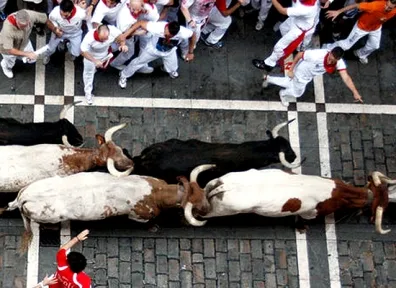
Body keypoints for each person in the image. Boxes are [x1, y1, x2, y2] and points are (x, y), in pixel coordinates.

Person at [262, 46, 363, 106]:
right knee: (297, 93)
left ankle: (268, 79)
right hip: (302, 73)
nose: (330, 61)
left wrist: (355, 92)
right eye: (330, 58)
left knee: (289, 82)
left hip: (307, 75)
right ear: (330, 52)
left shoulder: (338, 63)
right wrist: (292, 69)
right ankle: (283, 93)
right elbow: (300, 54)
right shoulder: (317, 55)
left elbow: (346, 77)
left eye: (333, 61)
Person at [116, 20, 196, 88]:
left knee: (173, 68)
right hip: (153, 50)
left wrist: (190, 52)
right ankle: (124, 75)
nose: (166, 35)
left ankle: (167, 69)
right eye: (165, 33)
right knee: (138, 62)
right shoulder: (157, 26)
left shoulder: (184, 32)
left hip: (169, 51)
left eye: (169, 36)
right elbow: (140, 23)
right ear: (166, 27)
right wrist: (125, 35)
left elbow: (193, 36)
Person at [252, 0, 324, 73]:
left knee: (279, 47)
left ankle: (269, 64)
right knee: (282, 28)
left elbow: (282, 10)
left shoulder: (307, 9)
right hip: (295, 20)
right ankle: (296, 47)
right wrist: (328, 2)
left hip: (300, 29)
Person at [325, 0, 396, 64]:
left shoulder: (395, 11)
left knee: (374, 46)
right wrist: (339, 11)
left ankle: (360, 54)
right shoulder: (375, 5)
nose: (386, 8)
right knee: (346, 45)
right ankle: (327, 48)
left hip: (376, 28)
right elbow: (356, 5)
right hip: (362, 27)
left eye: (389, 8)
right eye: (386, 4)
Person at [80, 23, 128, 104]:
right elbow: (83, 52)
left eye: (106, 38)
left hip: (104, 54)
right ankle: (88, 94)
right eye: (102, 39)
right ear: (97, 32)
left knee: (100, 67)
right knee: (88, 74)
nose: (104, 40)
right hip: (91, 57)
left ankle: (96, 68)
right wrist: (94, 61)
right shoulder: (89, 37)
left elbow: (121, 37)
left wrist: (123, 45)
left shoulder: (113, 31)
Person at [0, 9, 47, 79]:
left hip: (23, 42)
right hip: (7, 50)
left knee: (32, 59)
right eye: (22, 26)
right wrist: (27, 54)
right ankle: (5, 66)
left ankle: (22, 57)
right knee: (11, 64)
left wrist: (55, 29)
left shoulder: (30, 15)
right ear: (17, 21)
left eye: (27, 25)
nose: (25, 28)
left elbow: (45, 18)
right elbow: (10, 50)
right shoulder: (8, 30)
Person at [180, 0, 247, 48]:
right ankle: (210, 41)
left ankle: (204, 31)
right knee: (191, 39)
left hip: (204, 14)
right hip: (197, 16)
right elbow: (225, 13)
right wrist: (238, 4)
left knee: (195, 36)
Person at [37, 0, 87, 65]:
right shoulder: (55, 12)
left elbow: (88, 19)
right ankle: (47, 55)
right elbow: (51, 21)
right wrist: (56, 29)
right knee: (51, 48)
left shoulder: (81, 13)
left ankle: (69, 45)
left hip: (75, 34)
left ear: (71, 11)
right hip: (60, 33)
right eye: (61, 14)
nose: (63, 17)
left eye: (65, 15)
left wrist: (85, 9)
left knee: (76, 53)